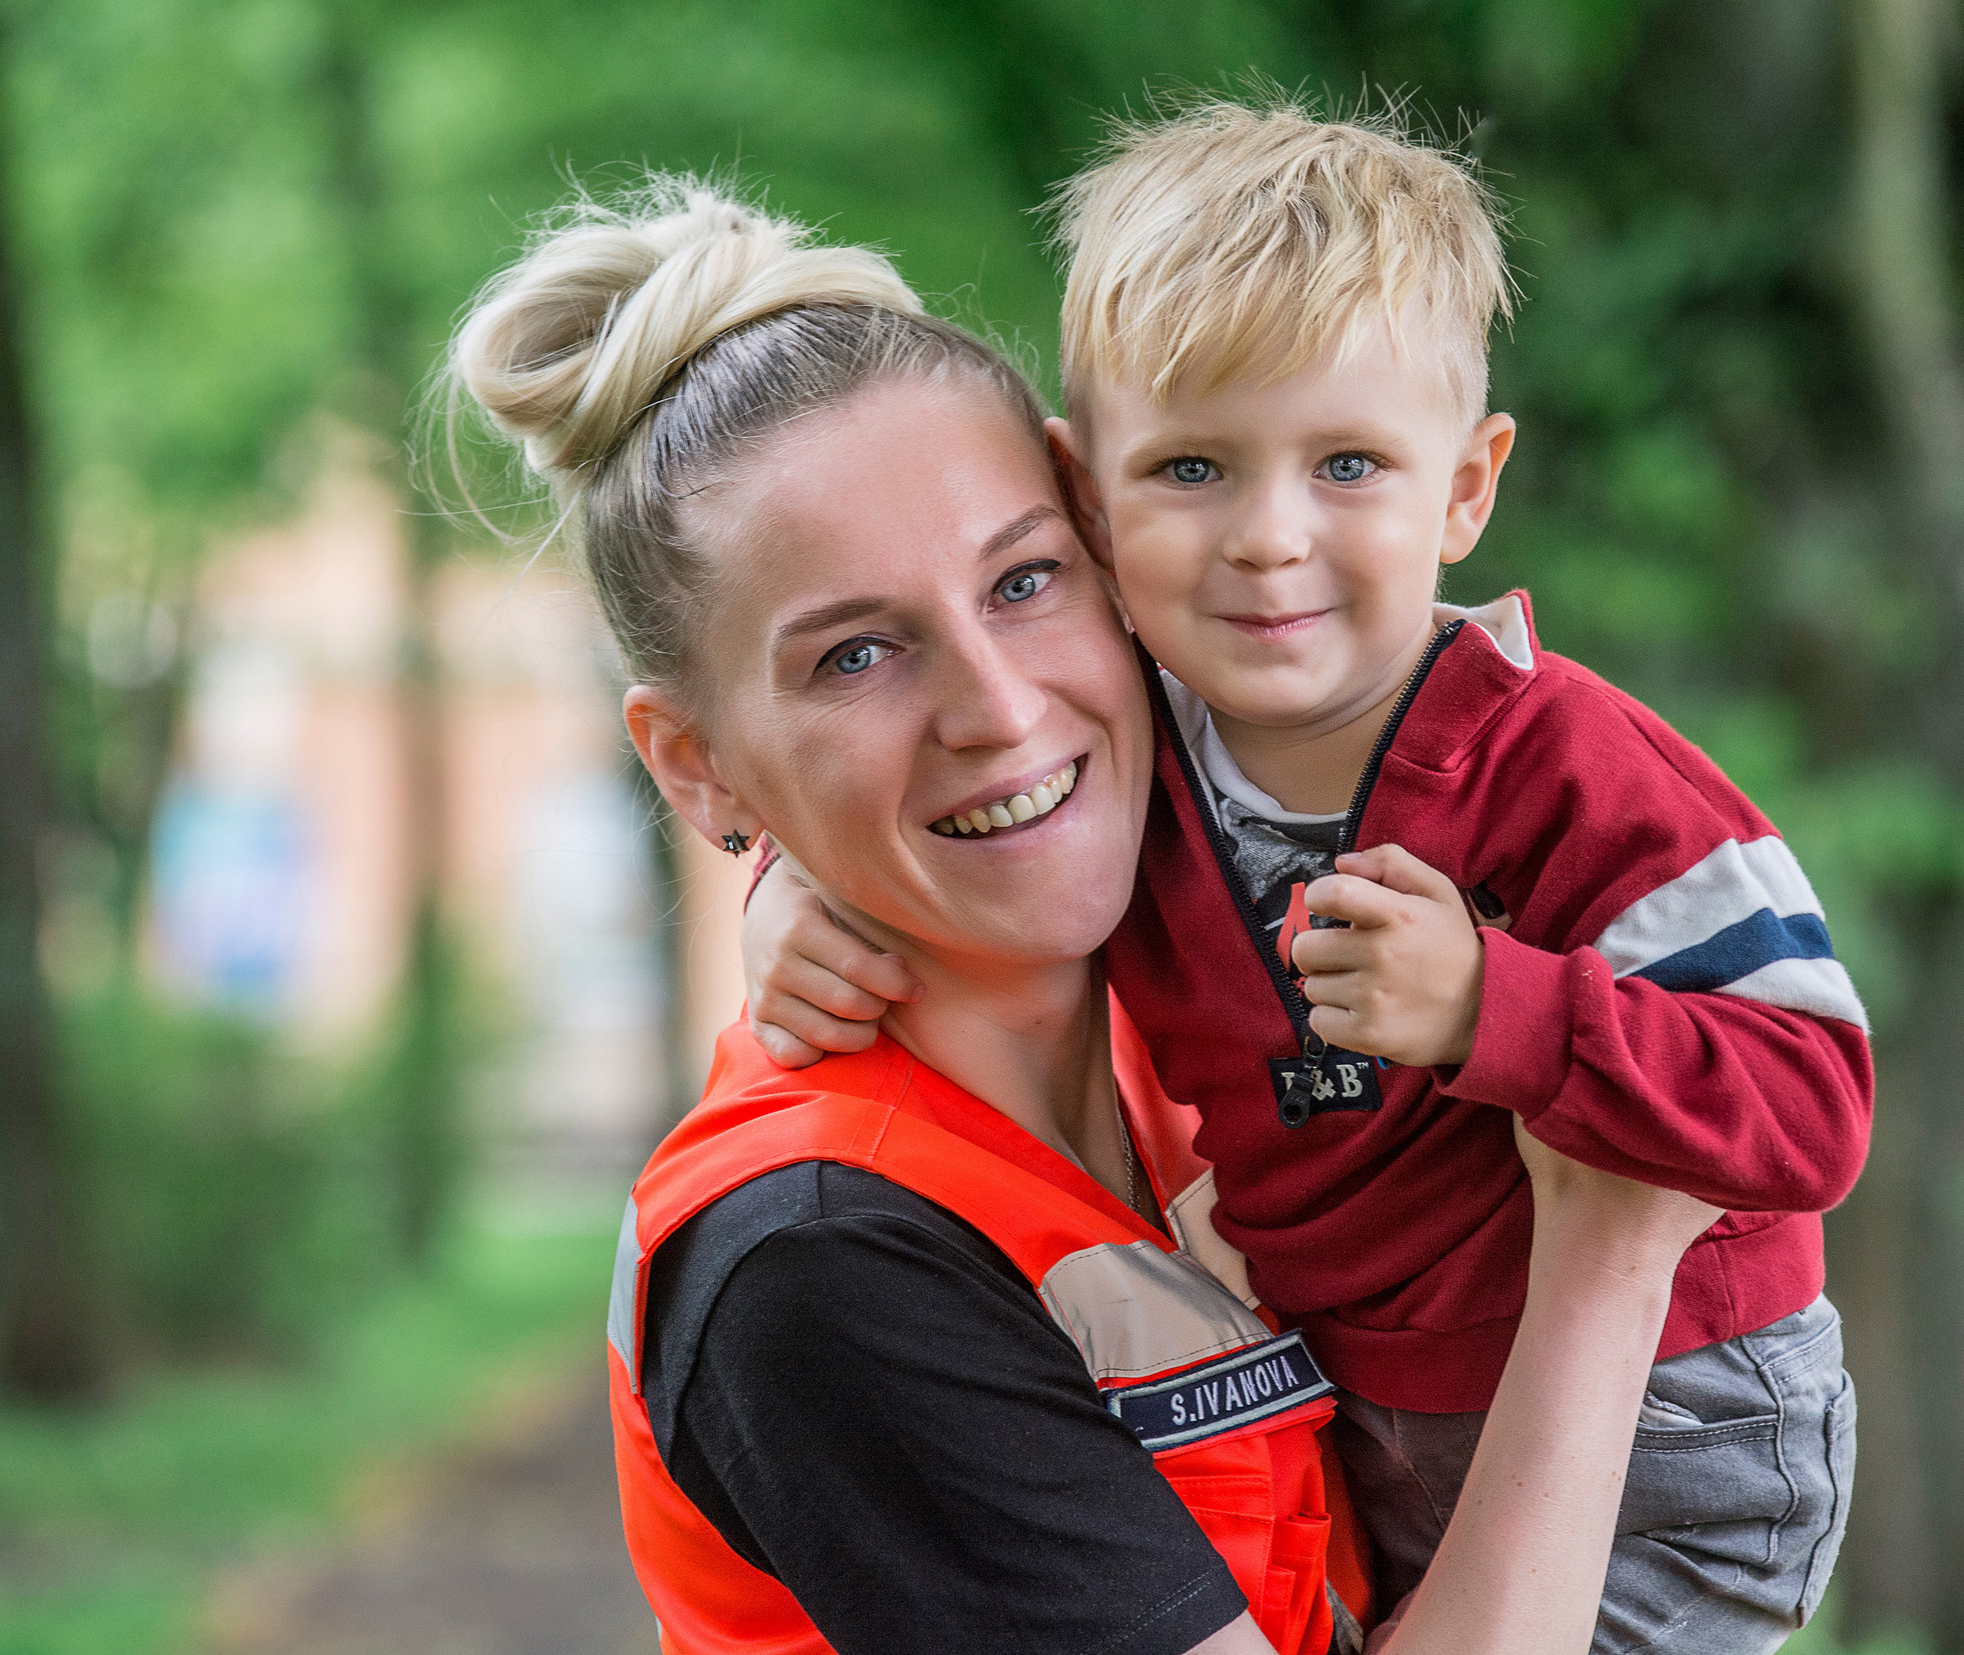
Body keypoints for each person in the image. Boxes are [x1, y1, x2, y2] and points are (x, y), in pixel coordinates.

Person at [446, 178, 1723, 1655]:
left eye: (1026, 579)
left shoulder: (1193, 1028)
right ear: (695, 763)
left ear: (1113, 555)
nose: (998, 711)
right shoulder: (817, 1268)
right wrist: (1612, 1255)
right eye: (857, 655)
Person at [742, 99, 1870, 1651]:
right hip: (1369, 1409)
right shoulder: (1131, 758)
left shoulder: (1571, 775)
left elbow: (1815, 1094)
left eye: (1348, 464)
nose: (1269, 539)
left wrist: (1505, 1008)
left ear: (1466, 488)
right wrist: (795, 898)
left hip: (1676, 1425)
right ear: (1089, 493)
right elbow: (945, 817)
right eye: (1195, 469)